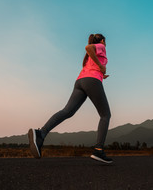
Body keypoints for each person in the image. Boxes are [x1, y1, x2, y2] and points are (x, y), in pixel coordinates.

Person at [28, 33, 112, 163]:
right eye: (105, 42)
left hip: (80, 81)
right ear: (102, 40)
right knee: (105, 115)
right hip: (92, 81)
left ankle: (41, 134)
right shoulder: (100, 46)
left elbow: (91, 64)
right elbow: (88, 48)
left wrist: (101, 73)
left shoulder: (90, 57)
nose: (105, 44)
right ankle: (99, 150)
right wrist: (101, 67)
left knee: (68, 111)